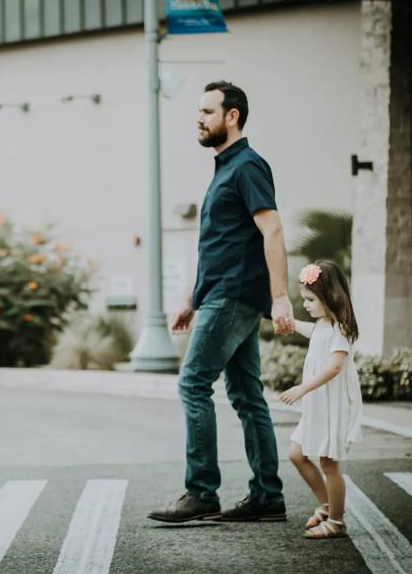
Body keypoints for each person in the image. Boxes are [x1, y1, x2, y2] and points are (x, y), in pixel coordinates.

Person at [149, 80, 292, 524]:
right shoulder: (225, 170)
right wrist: (191, 299)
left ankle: (201, 492)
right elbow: (222, 245)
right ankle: (267, 496)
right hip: (222, 295)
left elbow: (272, 231)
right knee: (248, 395)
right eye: (199, 111)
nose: (199, 118)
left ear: (232, 117)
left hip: (233, 298)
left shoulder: (247, 166)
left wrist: (282, 296)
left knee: (193, 384)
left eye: (208, 111)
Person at [280, 260, 363, 539]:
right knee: (296, 454)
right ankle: (328, 505)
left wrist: (302, 388)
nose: (305, 304)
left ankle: (337, 522)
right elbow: (311, 331)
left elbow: (335, 367)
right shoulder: (323, 325)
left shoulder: (340, 328)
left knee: (329, 464)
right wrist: (289, 324)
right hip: (318, 406)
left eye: (310, 299)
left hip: (332, 406)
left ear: (330, 297)